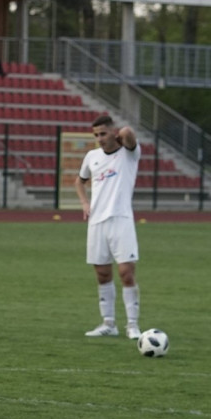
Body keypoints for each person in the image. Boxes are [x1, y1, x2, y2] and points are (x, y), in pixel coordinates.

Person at [75, 115, 143, 340]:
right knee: (102, 274)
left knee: (126, 272)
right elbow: (80, 181)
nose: (99, 139)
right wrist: (85, 203)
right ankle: (109, 323)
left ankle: (132, 325)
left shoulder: (129, 154)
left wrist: (119, 134)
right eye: (95, 135)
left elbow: (129, 134)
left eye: (103, 134)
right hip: (96, 223)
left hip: (121, 219)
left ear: (113, 132)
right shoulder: (92, 156)